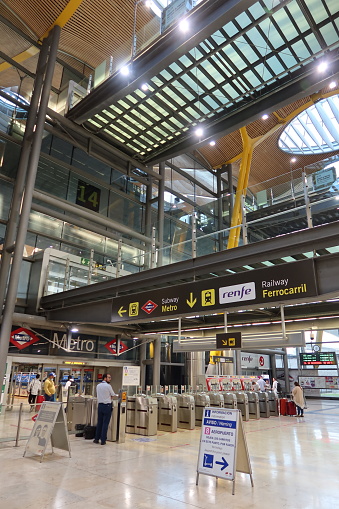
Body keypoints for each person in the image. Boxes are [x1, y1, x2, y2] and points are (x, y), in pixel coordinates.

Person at [93, 373, 116, 445]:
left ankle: (96, 438)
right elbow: (113, 395)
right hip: (107, 406)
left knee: (99, 422)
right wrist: (110, 397)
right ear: (105, 378)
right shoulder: (108, 386)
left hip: (100, 405)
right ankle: (103, 440)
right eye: (109, 377)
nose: (110, 379)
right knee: (105, 423)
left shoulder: (98, 386)